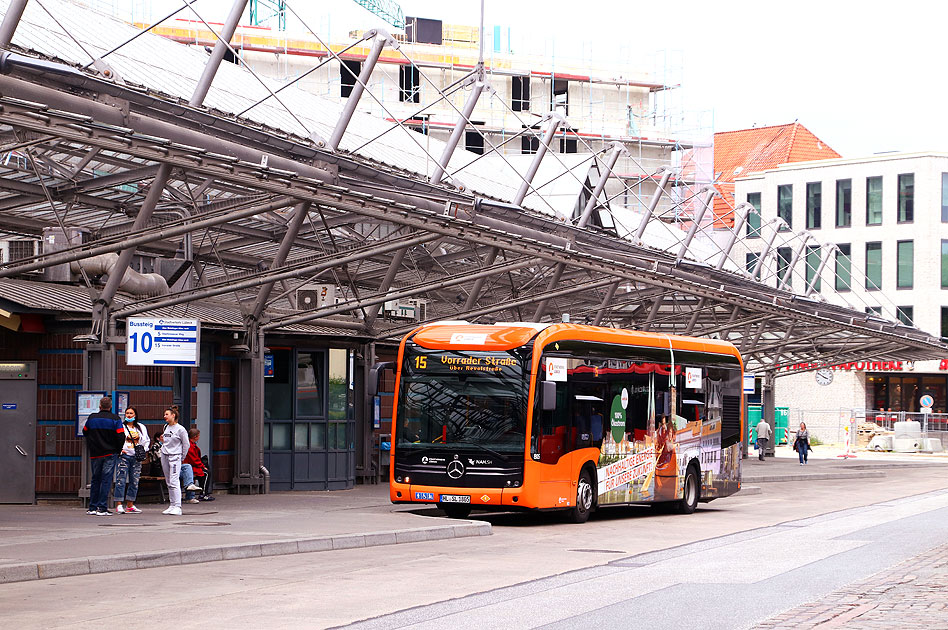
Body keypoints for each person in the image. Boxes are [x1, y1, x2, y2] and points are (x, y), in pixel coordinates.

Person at [83, 396, 124, 516]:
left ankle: (92, 507)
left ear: (100, 406)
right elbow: (120, 436)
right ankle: (102, 507)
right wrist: (118, 449)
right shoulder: (115, 419)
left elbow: (85, 431)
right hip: (110, 453)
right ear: (110, 406)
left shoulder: (92, 418)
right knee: (106, 480)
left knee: (95, 479)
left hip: (95, 453)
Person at [113, 406, 149, 514]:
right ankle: (119, 504)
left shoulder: (141, 427)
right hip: (124, 456)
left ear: (135, 415)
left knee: (135, 481)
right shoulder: (121, 427)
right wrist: (119, 450)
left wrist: (143, 449)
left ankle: (130, 504)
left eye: (131, 413)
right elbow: (115, 439)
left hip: (136, 457)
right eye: (127, 413)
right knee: (121, 479)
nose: (129, 415)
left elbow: (146, 440)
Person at [160, 405, 190, 516]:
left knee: (174, 481)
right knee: (168, 481)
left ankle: (178, 506)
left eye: (167, 414)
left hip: (175, 456)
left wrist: (181, 457)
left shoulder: (181, 429)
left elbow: (186, 444)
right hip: (165, 454)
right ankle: (172, 504)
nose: (165, 416)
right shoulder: (165, 427)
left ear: (173, 415)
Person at [183, 427, 206, 503]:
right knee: (204, 473)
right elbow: (194, 459)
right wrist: (202, 466)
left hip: (189, 466)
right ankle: (203, 493)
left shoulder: (191, 445)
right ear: (195, 437)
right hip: (188, 466)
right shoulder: (189, 446)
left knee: (191, 470)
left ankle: (191, 496)